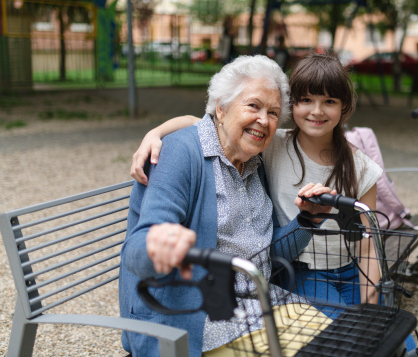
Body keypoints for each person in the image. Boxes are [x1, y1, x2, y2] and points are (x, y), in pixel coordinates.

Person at [119, 55, 336, 357]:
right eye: (253, 106)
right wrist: (158, 244)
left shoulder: (253, 162)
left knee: (339, 342)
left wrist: (307, 220)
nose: (264, 119)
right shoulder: (181, 154)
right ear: (220, 107)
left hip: (257, 303)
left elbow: (264, 253)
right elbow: (137, 250)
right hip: (198, 319)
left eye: (273, 112)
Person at [130, 53, 382, 305]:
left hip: (328, 274)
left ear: (344, 106)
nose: (316, 111)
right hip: (293, 276)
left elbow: (368, 246)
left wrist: (373, 309)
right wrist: (156, 132)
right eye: (306, 100)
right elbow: (206, 123)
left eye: (273, 112)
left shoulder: (264, 152)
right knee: (346, 334)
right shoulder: (269, 144)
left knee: (392, 336)